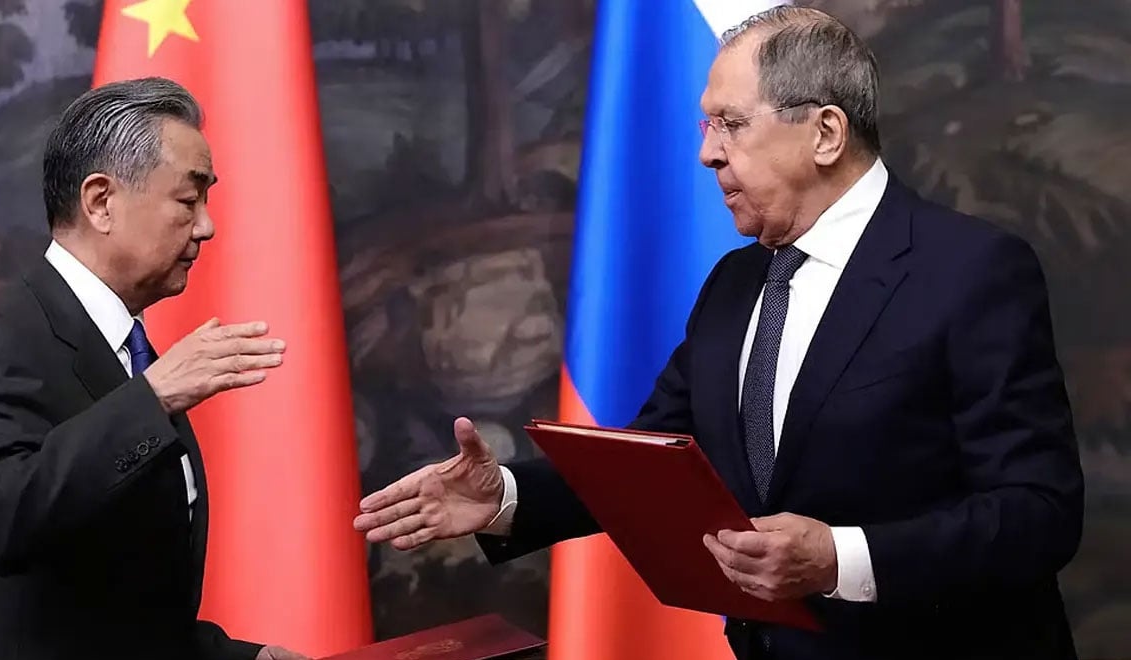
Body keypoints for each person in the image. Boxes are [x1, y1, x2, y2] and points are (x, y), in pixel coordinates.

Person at [353, 7, 1084, 660]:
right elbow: (649, 462)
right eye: (709, 126)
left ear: (826, 133)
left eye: (731, 124)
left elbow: (1039, 513)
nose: (707, 153)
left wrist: (839, 558)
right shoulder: (735, 283)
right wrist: (505, 497)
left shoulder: (972, 270)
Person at [0, 77, 306, 660]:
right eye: (188, 201)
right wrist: (151, 399)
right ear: (101, 201)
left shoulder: (132, 350)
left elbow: (124, 605)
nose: (206, 226)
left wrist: (244, 658)